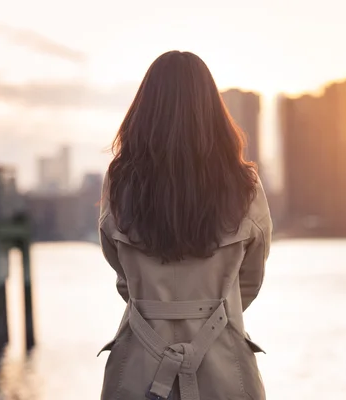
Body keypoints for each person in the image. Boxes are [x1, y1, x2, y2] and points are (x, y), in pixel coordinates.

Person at [97, 51, 272, 400]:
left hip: (137, 369)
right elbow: (251, 278)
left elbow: (121, 272)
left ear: (144, 109)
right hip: (225, 369)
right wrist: (215, 312)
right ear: (211, 111)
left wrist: (153, 305)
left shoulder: (118, 182)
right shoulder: (245, 185)